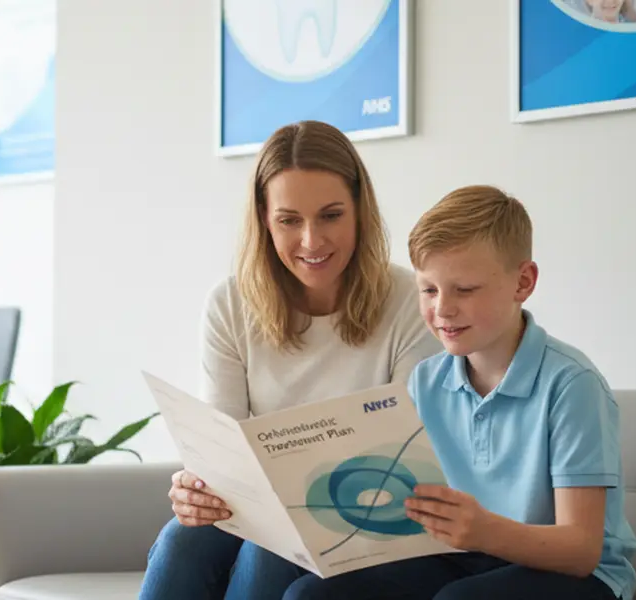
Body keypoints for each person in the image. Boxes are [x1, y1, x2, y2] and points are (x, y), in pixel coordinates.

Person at [280, 185, 636, 599]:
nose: (443, 309)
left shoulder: (571, 385)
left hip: (579, 578)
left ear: (523, 282)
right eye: (429, 290)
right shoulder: (425, 381)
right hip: (462, 557)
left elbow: (581, 550)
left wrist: (484, 530)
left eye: (465, 290)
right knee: (310, 594)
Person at [138, 120, 442, 599]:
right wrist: (196, 488)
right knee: (184, 538)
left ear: (360, 211)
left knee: (274, 546)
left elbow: (407, 455)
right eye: (289, 220)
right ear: (263, 217)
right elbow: (221, 453)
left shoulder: (410, 300)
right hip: (267, 507)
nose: (311, 241)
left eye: (331, 215)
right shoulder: (230, 305)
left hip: (373, 513)